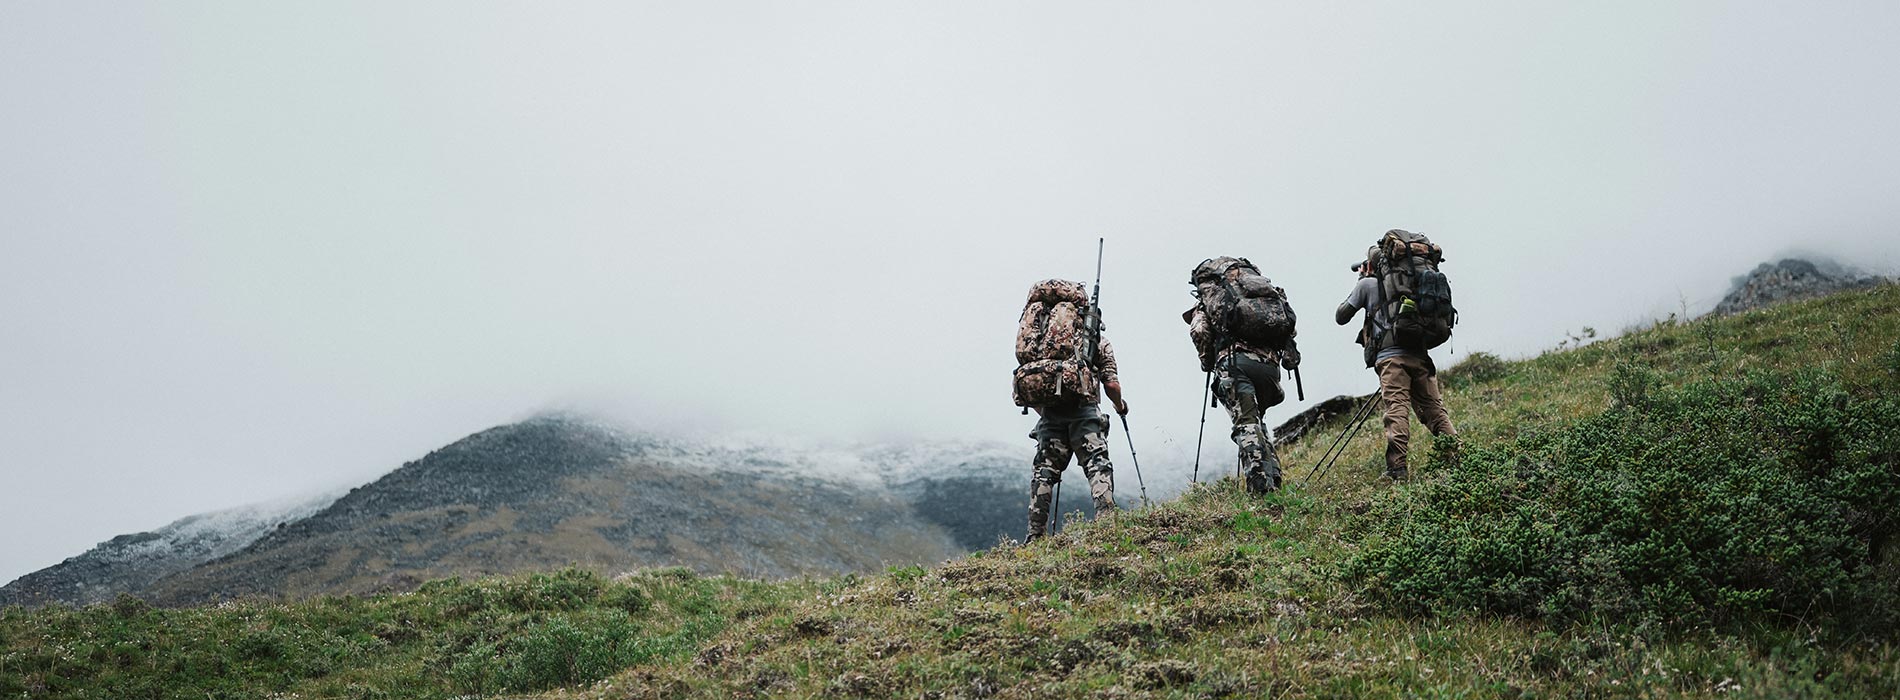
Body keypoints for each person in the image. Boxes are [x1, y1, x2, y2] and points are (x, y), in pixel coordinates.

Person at [1336, 243, 1456, 481]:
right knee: (1435, 410)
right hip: (1420, 354)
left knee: (1396, 410)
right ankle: (1460, 455)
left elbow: (1341, 316)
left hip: (1391, 359)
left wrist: (1361, 281)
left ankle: (1397, 469)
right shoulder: (1410, 281)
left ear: (1371, 265)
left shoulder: (1367, 284)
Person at [1019, 282, 1128, 543]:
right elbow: (1111, 384)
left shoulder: (1036, 338)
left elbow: (1032, 385)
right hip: (1084, 412)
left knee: (1043, 473)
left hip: (1050, 416)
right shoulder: (1093, 340)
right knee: (1097, 466)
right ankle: (1106, 527)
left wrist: (1047, 412)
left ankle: (1035, 537)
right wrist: (1119, 406)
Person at [1184, 257, 1300, 494]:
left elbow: (1199, 330)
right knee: (1256, 421)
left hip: (1236, 364)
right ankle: (1273, 480)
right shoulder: (1263, 296)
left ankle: (1259, 486)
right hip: (1269, 367)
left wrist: (1207, 362)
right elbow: (1290, 328)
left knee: (1246, 423)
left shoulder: (1213, 300)